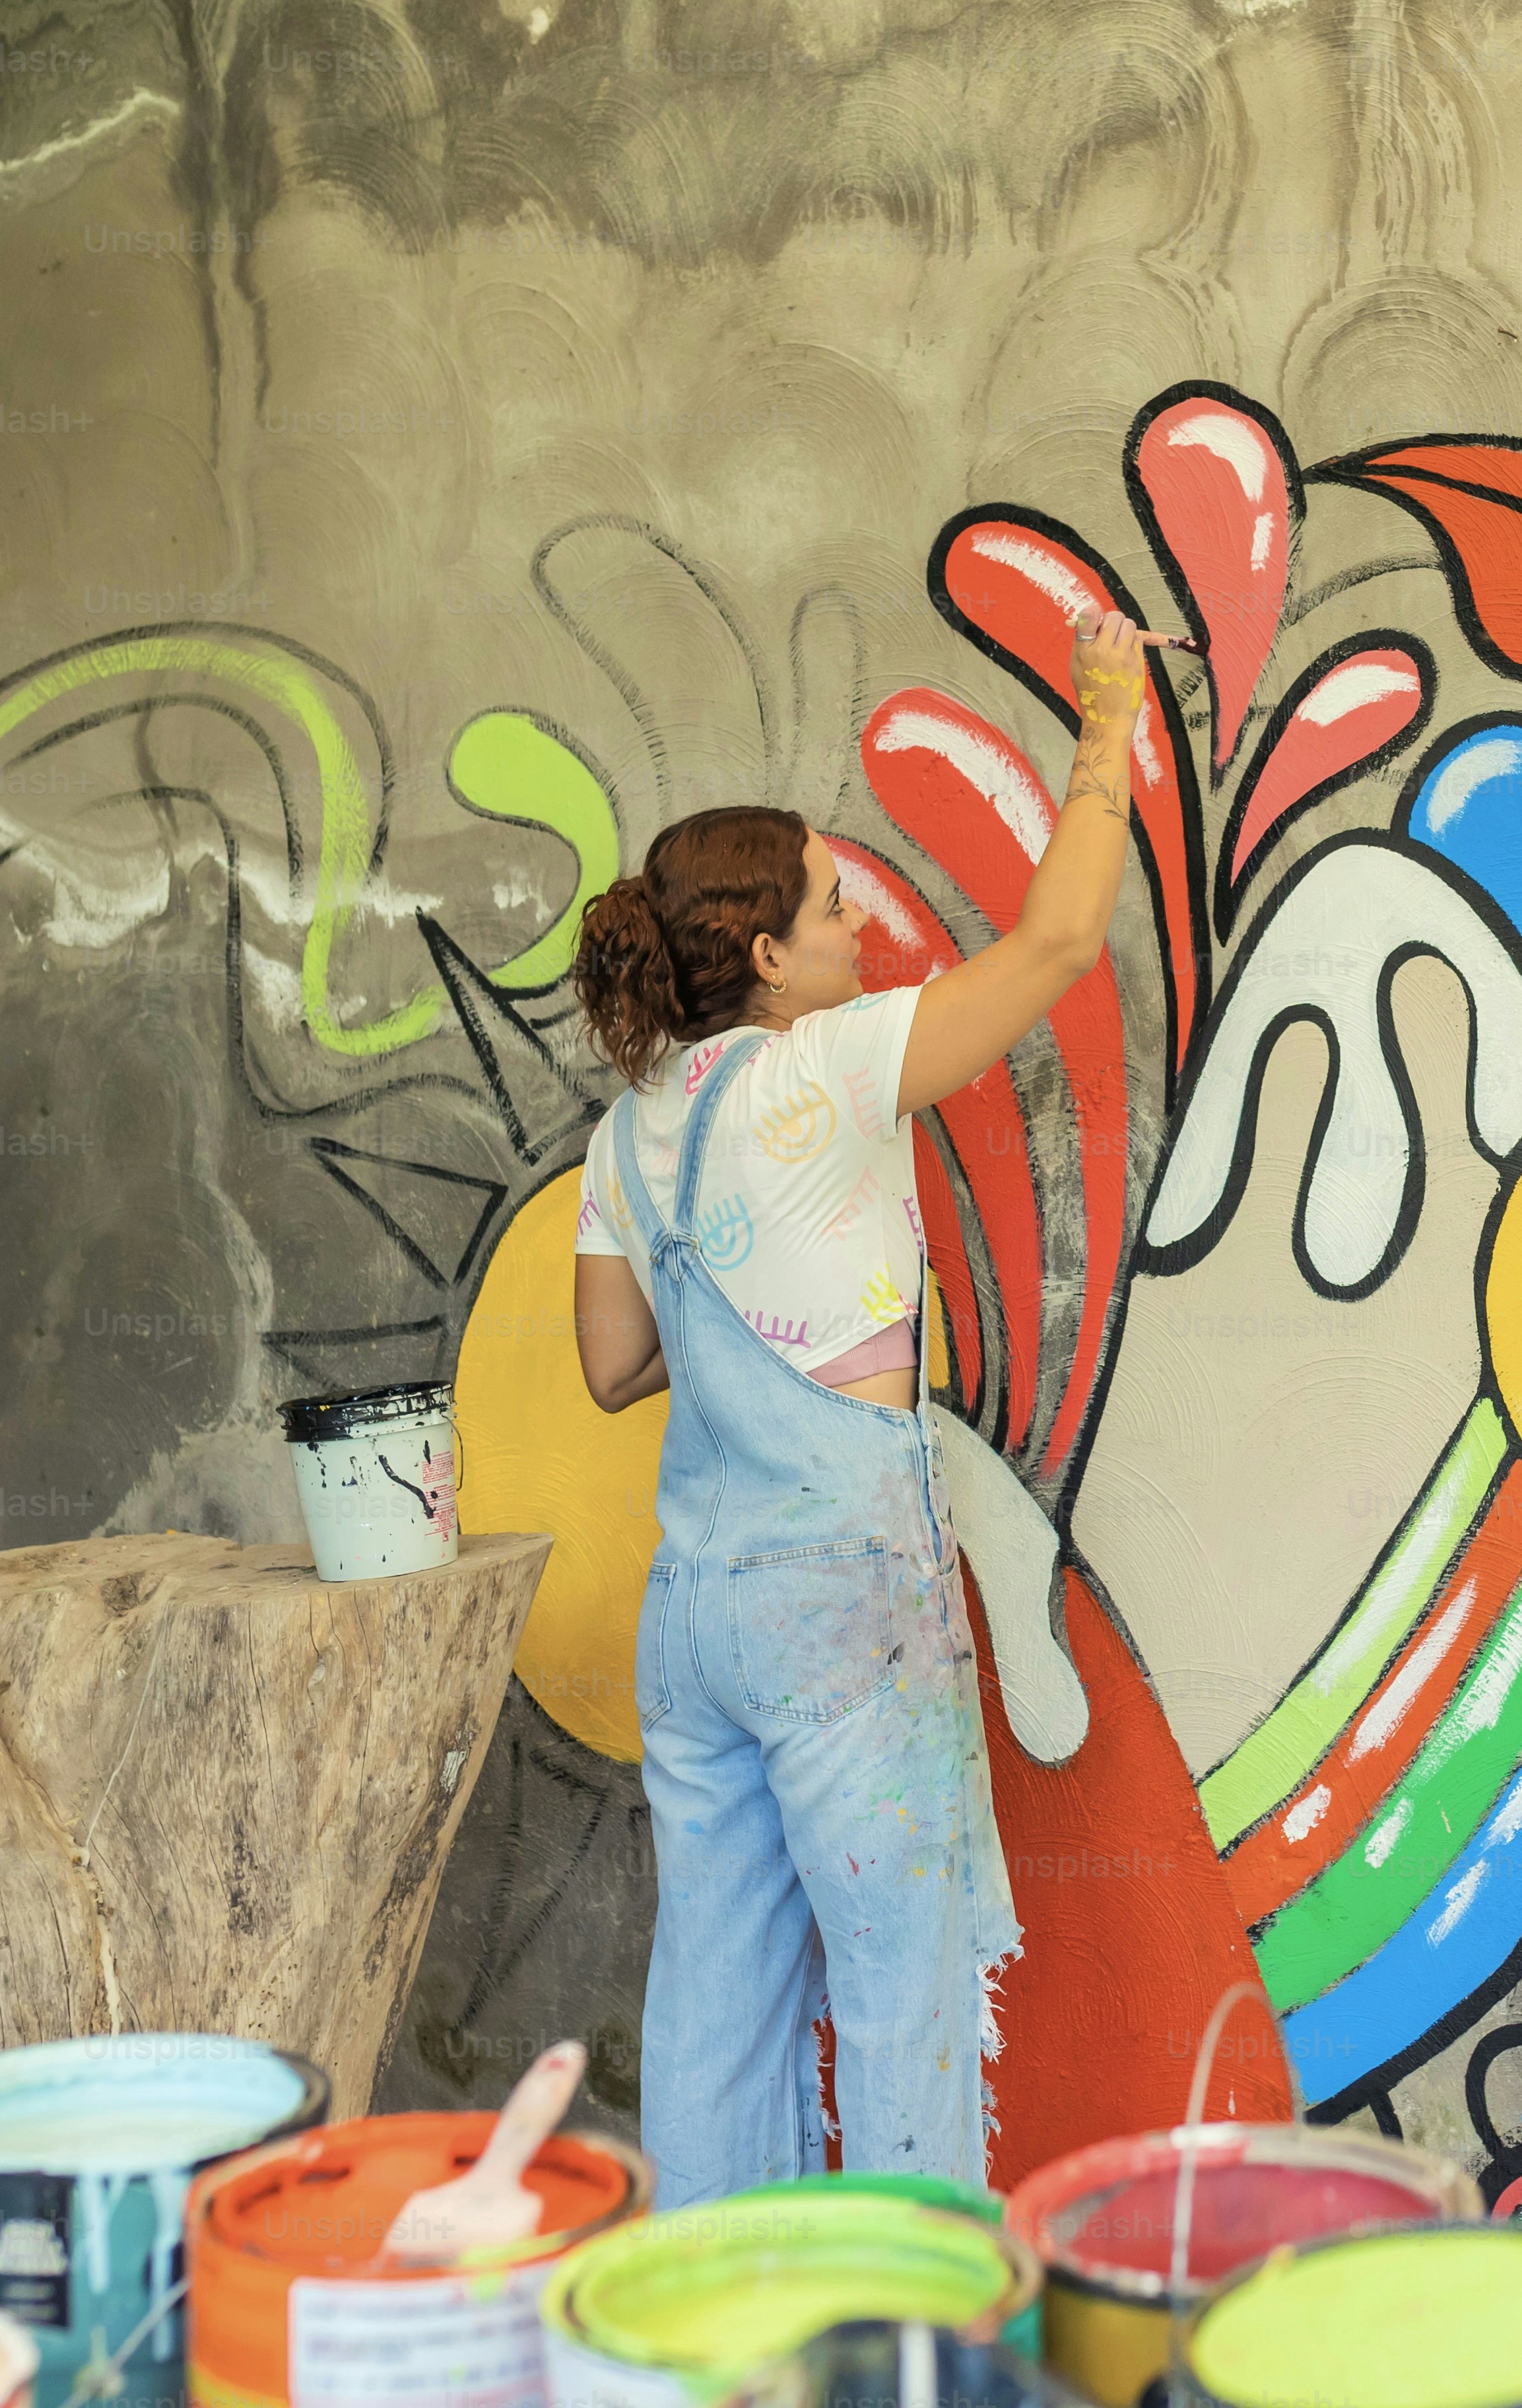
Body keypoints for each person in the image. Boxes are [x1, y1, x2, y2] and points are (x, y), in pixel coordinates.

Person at [568, 605, 1165, 2205]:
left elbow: (614, 1365)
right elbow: (1052, 946)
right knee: (898, 2004)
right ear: (764, 960)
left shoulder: (627, 1132)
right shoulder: (820, 1067)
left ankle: (712, 2347)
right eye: (835, 912)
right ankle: (912, 2354)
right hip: (839, 1616)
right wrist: (1105, 721)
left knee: (714, 2014)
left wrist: (739, 1287)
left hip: (694, 1620)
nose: (860, 936)